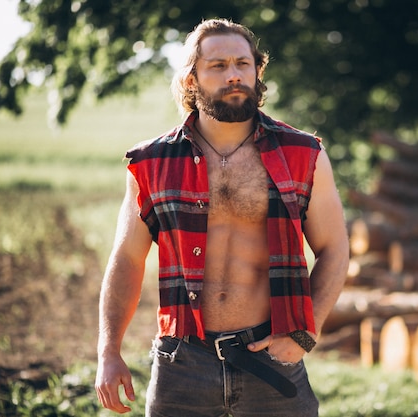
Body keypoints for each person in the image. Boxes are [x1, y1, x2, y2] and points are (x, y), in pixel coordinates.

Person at [95, 18, 349, 417]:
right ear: (192, 79)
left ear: (257, 70)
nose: (233, 76)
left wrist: (305, 331)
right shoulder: (152, 163)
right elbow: (126, 259)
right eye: (217, 66)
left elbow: (334, 249)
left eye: (242, 64)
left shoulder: (304, 155)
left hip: (271, 356)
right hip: (182, 364)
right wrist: (108, 353)